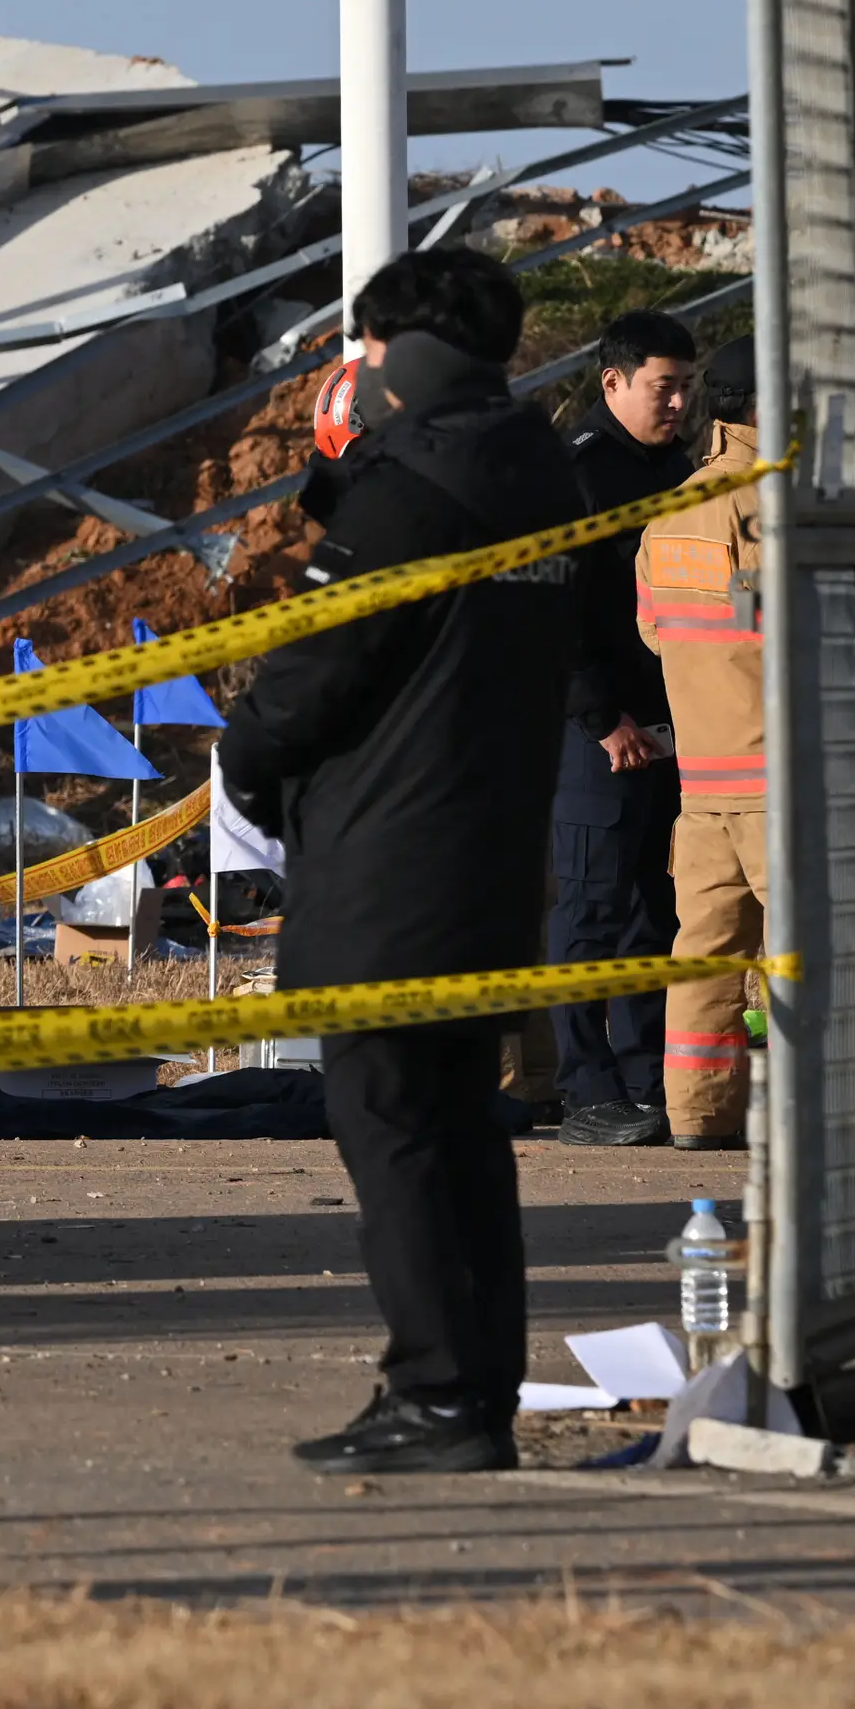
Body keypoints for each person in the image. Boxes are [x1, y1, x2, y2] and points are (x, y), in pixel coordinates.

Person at [217, 247, 583, 1476]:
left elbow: (314, 675)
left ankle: (437, 1391)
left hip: (390, 851)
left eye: (368, 347)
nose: (361, 371)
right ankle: (474, 1388)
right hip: (492, 846)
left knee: (392, 1125)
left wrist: (250, 757)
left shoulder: (412, 485)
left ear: (400, 348)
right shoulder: (544, 472)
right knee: (463, 1131)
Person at [550, 310, 699, 1147]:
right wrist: (603, 721)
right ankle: (585, 1090)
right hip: (597, 736)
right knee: (588, 910)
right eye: (662, 387)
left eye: (686, 387)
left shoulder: (677, 470)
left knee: (654, 908)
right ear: (614, 383)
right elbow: (556, 612)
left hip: (671, 725)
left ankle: (646, 1077)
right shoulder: (578, 475)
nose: (677, 402)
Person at [637, 337, 766, 1153]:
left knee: (705, 956)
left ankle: (697, 1115)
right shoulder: (768, 504)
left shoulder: (671, 508)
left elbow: (656, 631)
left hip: (704, 782)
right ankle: (820, 1119)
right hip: (780, 775)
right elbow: (784, 626)